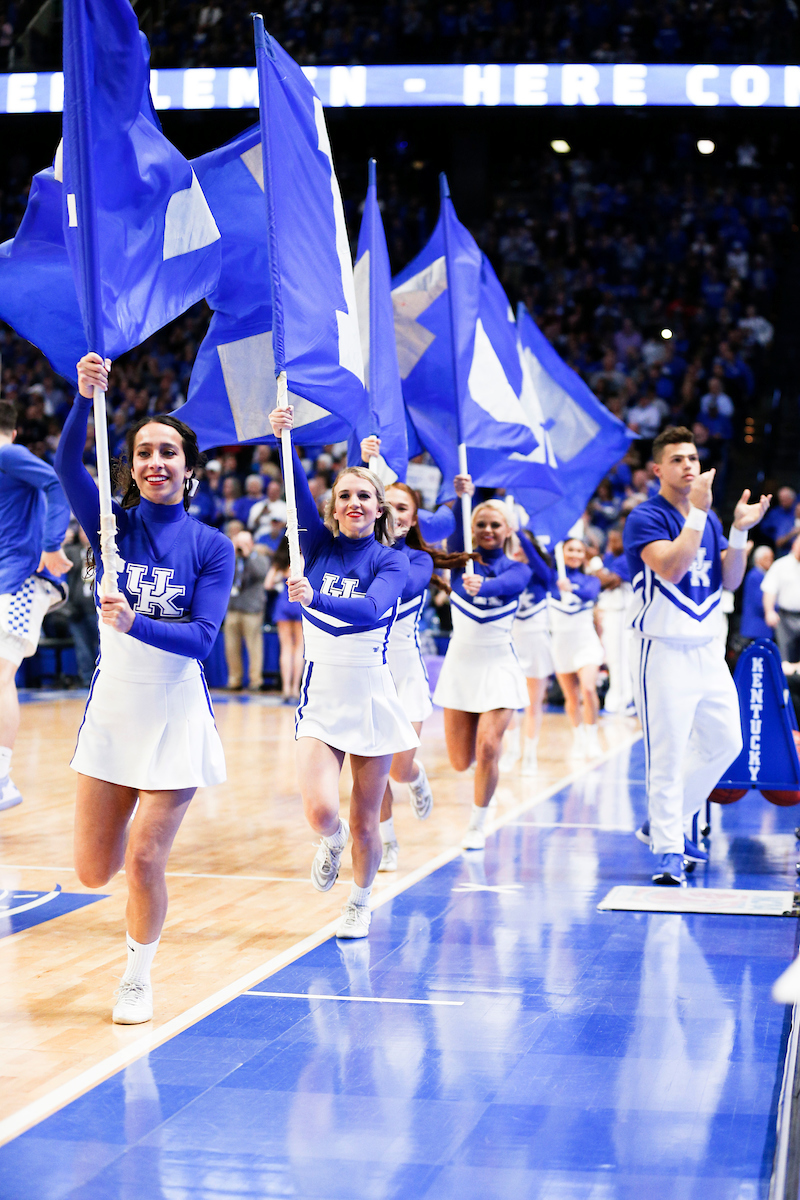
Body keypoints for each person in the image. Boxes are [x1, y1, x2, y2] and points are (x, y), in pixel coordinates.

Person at [55, 353, 235, 1024]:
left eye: (170, 451)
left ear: (189, 467)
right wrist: (83, 398)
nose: (157, 461)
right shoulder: (114, 528)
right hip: (115, 710)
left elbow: (202, 642)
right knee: (93, 872)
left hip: (176, 710)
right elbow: (67, 467)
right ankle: (127, 872)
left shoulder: (213, 546)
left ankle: (137, 973)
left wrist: (134, 623)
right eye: (144, 453)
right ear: (129, 466)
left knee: (144, 856)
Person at [268, 405, 418, 940]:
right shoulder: (314, 547)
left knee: (365, 820)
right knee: (320, 812)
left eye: (364, 496)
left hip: (372, 697)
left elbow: (372, 610)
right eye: (345, 496)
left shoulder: (391, 561)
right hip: (322, 696)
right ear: (334, 508)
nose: (354, 503)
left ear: (380, 509)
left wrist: (314, 598)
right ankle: (329, 844)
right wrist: (284, 437)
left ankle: (360, 899)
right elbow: (296, 493)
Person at [624, 425, 769, 886]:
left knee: (728, 741)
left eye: (693, 457)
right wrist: (699, 515)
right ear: (658, 469)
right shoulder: (645, 516)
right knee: (666, 754)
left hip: (706, 649)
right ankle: (668, 848)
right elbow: (671, 566)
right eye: (678, 459)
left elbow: (729, 579)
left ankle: (661, 823)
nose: (688, 465)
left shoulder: (705, 519)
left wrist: (740, 533)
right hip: (662, 650)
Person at [377, 480, 473, 871]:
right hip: (367, 671)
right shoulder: (356, 553)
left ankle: (415, 778)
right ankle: (386, 842)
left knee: (398, 768)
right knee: (372, 768)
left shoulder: (419, 560)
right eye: (388, 505)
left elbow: (403, 584)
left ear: (414, 518)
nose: (395, 513)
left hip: (405, 672)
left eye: (403, 507)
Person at [433, 493, 531, 850]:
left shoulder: (518, 568)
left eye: (495, 525)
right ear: (472, 530)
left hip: (499, 664)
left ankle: (478, 822)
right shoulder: (459, 562)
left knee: (489, 746)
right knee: (461, 762)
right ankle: (483, 778)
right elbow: (456, 525)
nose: (487, 530)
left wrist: (484, 586)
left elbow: (511, 586)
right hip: (461, 665)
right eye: (481, 524)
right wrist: (460, 493)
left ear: (507, 531)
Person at [0, 399, 71, 811]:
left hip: (21, 581)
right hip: (5, 581)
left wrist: (50, 545)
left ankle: (3, 778)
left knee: (1, 672)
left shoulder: (8, 454)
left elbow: (56, 484)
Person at [504, 531, 557, 776]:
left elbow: (539, 564)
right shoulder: (505, 571)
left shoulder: (543, 575)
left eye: (521, 546)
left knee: (533, 704)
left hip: (536, 641)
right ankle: (512, 749)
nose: (517, 549)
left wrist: (519, 533)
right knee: (508, 701)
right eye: (512, 545)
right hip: (510, 640)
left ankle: (530, 754)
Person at [549, 538, 604, 759]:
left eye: (579, 550)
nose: (574, 554)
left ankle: (592, 736)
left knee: (588, 689)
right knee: (571, 697)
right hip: (562, 645)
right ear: (561, 553)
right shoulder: (551, 579)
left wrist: (570, 588)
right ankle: (578, 738)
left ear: (584, 555)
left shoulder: (590, 580)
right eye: (570, 549)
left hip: (586, 643)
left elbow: (590, 594)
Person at [595, 524, 635, 715]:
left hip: (623, 614)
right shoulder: (611, 558)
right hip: (612, 612)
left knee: (622, 658)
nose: (611, 544)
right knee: (612, 658)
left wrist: (594, 569)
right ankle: (618, 698)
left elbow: (609, 582)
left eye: (615, 540)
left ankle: (625, 700)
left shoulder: (627, 558)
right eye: (609, 540)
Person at [224, 528, 268, 692]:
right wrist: (234, 553)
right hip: (233, 607)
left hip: (252, 609)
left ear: (251, 544)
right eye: (239, 543)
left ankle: (255, 681)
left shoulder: (259, 557)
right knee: (231, 647)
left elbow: (261, 573)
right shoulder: (232, 558)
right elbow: (224, 574)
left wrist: (249, 555)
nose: (241, 547)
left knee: (254, 647)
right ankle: (234, 680)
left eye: (244, 543)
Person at [264, 537, 304, 703]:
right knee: (299, 648)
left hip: (284, 602)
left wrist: (280, 577)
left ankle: (285, 689)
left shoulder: (279, 561)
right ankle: (295, 689)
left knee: (286, 648)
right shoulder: (302, 557)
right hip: (300, 602)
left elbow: (267, 584)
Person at [761, 535, 800, 662]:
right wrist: (769, 611)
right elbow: (769, 589)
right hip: (785, 617)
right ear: (794, 545)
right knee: (785, 657)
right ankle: (785, 681)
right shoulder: (780, 565)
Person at [739, 545, 774, 644]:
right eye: (767, 558)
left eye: (772, 558)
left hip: (762, 626)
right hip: (756, 625)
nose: (771, 561)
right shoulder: (755, 576)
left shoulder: (764, 575)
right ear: (759, 560)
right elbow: (759, 600)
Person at [761, 487, 800, 558]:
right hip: (785, 554)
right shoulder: (778, 515)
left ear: (793, 499)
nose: (782, 503)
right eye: (781, 500)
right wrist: (793, 533)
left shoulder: (795, 509)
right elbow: (778, 542)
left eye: (785, 500)